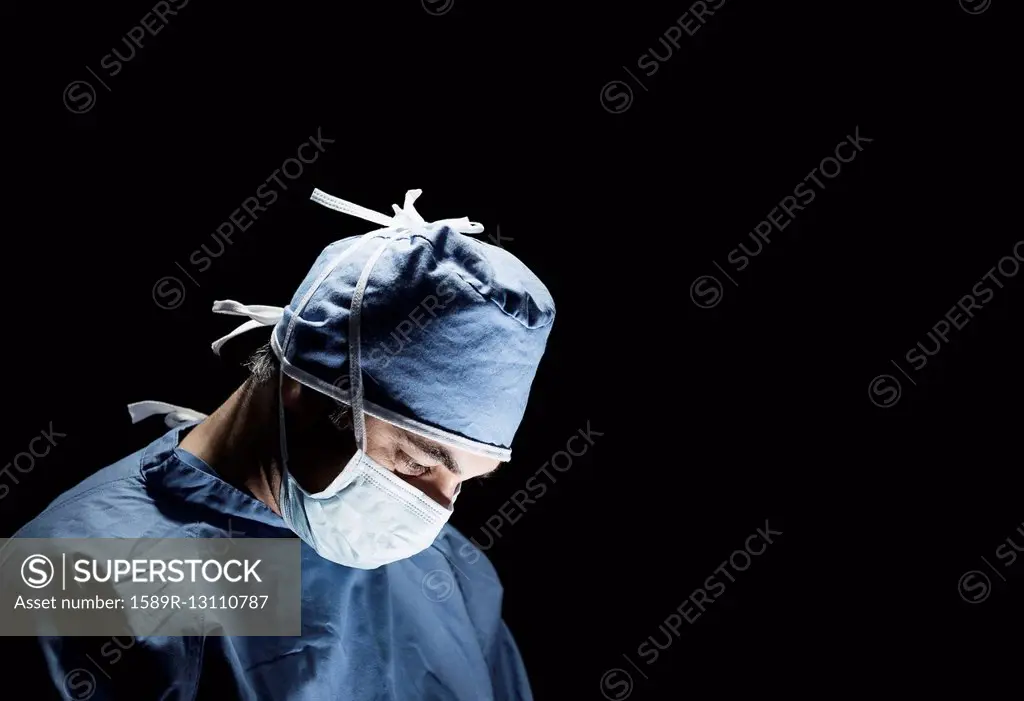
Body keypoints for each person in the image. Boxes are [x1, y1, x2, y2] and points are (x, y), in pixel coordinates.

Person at [12, 187, 555, 700]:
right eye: (416, 462)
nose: (436, 511)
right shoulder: (73, 576)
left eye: (466, 479)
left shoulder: (448, 572)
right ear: (303, 387)